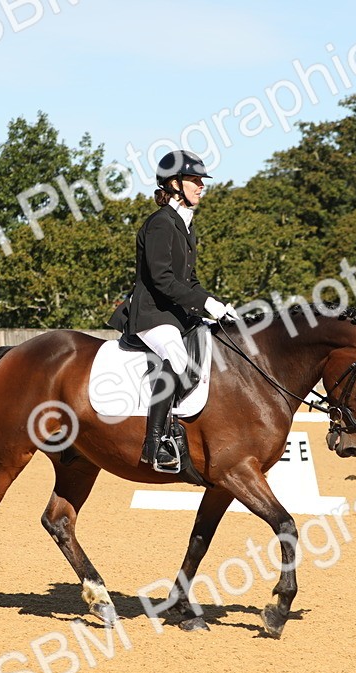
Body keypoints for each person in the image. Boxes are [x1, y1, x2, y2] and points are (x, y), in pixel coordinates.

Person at [108, 149, 240, 473]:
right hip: (151, 313)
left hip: (176, 312)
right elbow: (162, 280)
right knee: (178, 357)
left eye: (200, 181)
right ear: (174, 183)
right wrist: (206, 305)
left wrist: (216, 306)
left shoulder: (186, 226)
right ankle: (155, 444)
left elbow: (189, 281)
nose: (201, 186)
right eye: (195, 180)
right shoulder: (160, 224)